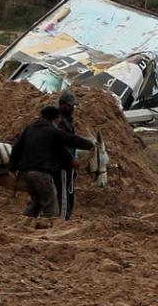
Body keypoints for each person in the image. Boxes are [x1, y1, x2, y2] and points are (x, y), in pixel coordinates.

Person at [6, 104, 94, 220]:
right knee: (51, 206)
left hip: (25, 173)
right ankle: (46, 232)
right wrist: (90, 144)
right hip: (41, 174)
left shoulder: (30, 128)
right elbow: (70, 139)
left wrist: (12, 167)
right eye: (58, 118)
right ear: (54, 118)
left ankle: (22, 226)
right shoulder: (52, 131)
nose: (59, 121)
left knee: (36, 203)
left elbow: (16, 147)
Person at [55, 91, 82, 219]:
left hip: (68, 164)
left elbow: (72, 143)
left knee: (67, 193)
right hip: (62, 165)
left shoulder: (67, 122)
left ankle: (65, 217)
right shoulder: (59, 122)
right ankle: (63, 220)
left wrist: (74, 157)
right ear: (62, 104)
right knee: (64, 194)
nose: (72, 109)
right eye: (70, 106)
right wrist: (71, 159)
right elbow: (60, 145)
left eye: (73, 106)